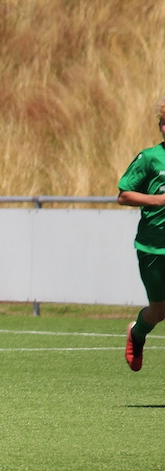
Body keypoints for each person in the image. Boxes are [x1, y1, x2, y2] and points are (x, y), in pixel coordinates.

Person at [120, 94, 165, 372]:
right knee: (159, 311)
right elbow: (124, 195)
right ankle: (137, 333)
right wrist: (157, 200)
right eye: (164, 122)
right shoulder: (149, 158)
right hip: (152, 247)